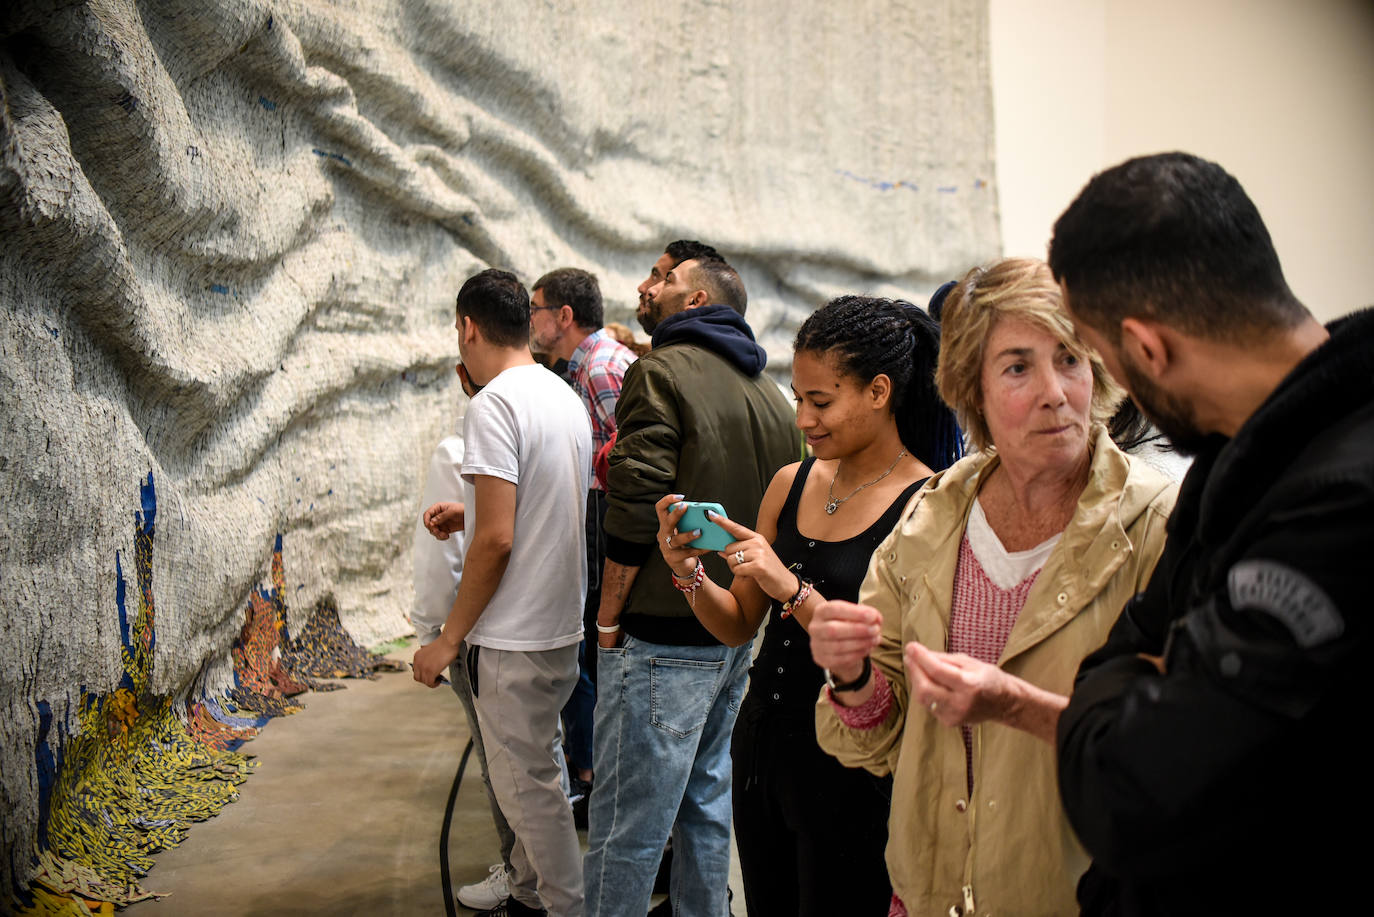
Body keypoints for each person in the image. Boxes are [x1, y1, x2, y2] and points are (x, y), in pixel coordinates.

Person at [1048, 152, 1374, 914]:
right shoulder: (1237, 456)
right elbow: (1132, 649)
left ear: (1149, 347)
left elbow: (1128, 787)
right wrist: (1151, 672)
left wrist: (1135, 684)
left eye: (1097, 360)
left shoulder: (1337, 506)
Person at [808, 257, 1177, 916]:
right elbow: (879, 734)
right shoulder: (932, 517)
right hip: (927, 894)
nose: (1054, 392)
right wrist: (853, 675)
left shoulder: (1156, 524)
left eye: (1069, 358)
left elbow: (1179, 751)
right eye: (1017, 367)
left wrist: (1016, 704)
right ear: (970, 387)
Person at [652, 296, 963, 916]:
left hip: (855, 757)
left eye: (821, 401)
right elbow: (738, 625)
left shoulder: (929, 503)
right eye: (799, 398)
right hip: (765, 740)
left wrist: (789, 588)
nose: (804, 419)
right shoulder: (789, 482)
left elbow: (898, 657)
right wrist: (688, 574)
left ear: (879, 392)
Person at [584, 252, 799, 917]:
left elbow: (635, 497)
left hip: (662, 629)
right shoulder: (771, 394)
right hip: (735, 625)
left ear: (698, 299)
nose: (646, 289)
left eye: (663, 280)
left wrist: (608, 616)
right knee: (705, 804)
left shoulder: (660, 371)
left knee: (628, 823)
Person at [413, 268, 592, 917]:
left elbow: (495, 542)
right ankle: (527, 895)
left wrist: (447, 638)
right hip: (558, 629)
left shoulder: (491, 404)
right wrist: (469, 509)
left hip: (513, 640)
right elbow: (544, 502)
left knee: (531, 794)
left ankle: (564, 907)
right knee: (537, 779)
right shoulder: (560, 395)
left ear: (467, 327)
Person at [530, 267, 637, 813]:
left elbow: (634, 458)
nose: (530, 320)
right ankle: (591, 773)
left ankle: (594, 777)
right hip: (596, 515)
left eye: (536, 308)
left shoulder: (598, 368)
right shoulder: (588, 365)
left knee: (591, 646)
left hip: (606, 520)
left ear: (563, 317)